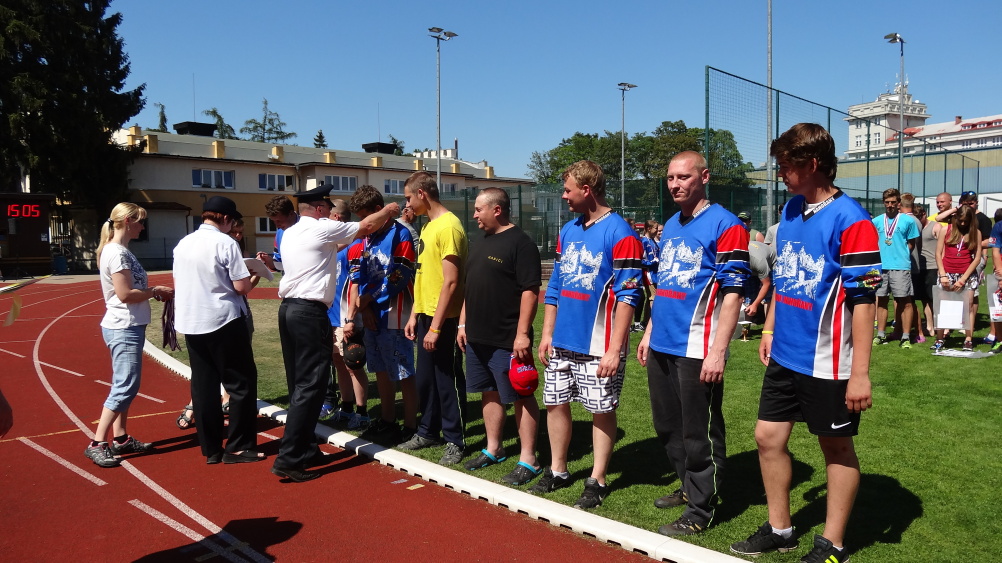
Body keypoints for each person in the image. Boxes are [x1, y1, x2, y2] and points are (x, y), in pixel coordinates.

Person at [730, 123, 881, 563]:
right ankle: (781, 529)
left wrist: (860, 374)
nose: (780, 173)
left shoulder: (853, 221)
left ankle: (833, 544)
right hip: (785, 353)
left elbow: (865, 301)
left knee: (835, 447)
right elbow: (784, 277)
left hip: (828, 360)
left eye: (786, 165)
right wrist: (770, 328)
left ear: (812, 164)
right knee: (767, 437)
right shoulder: (793, 209)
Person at [636, 151, 749, 535]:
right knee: (668, 426)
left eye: (683, 177)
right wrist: (649, 332)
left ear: (704, 177)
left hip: (698, 346)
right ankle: (688, 486)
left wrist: (718, 351)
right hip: (662, 343)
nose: (674, 184)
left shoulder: (726, 225)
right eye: (670, 178)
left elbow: (733, 292)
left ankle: (701, 508)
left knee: (699, 431)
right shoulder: (671, 224)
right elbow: (665, 285)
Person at [531, 160, 643, 509]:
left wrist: (614, 349)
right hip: (562, 341)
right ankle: (558, 469)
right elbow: (554, 287)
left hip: (599, 345)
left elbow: (629, 295)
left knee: (600, 409)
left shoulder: (621, 233)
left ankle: (598, 478)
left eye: (567, 190)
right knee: (554, 403)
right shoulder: (568, 231)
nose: (564, 196)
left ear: (587, 190)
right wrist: (546, 334)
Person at [273, 185, 398, 482]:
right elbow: (366, 226)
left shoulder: (292, 232)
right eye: (327, 208)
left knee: (300, 383)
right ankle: (289, 459)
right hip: (308, 312)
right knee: (311, 385)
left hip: (289, 310)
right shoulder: (320, 228)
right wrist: (390, 210)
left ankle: (306, 449)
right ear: (319, 209)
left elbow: (335, 247)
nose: (331, 213)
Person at [457, 187, 543, 484]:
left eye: (479, 209)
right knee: (488, 392)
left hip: (507, 339)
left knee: (520, 395)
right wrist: (463, 324)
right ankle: (494, 448)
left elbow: (530, 291)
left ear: (497, 210)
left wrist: (522, 335)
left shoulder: (521, 244)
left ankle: (529, 459)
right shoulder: (481, 242)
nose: (474, 215)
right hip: (477, 337)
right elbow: (470, 286)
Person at [173, 196, 262, 465]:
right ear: (224, 218)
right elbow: (241, 287)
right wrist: (256, 273)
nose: (232, 226)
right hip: (223, 321)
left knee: (203, 386)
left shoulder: (183, 243)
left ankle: (210, 448)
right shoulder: (226, 243)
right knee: (241, 384)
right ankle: (239, 446)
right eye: (232, 221)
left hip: (192, 322)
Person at [85, 203, 173, 468]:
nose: (143, 227)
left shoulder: (119, 251)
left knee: (124, 383)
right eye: (140, 221)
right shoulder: (117, 253)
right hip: (123, 326)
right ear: (127, 221)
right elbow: (124, 294)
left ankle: (120, 437)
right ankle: (97, 442)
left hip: (128, 325)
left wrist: (150, 293)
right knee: (126, 386)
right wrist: (155, 291)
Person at [399, 171, 469, 466]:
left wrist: (437, 327)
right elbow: (423, 274)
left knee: (446, 380)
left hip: (445, 319)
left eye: (408, 197)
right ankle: (427, 431)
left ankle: (456, 440)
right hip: (426, 315)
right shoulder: (428, 226)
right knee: (426, 380)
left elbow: (451, 282)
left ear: (422, 194)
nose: (406, 204)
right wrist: (415, 314)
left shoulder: (449, 227)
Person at [347, 186, 418, 442]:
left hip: (397, 312)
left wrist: (370, 298)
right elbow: (360, 275)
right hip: (372, 313)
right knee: (380, 368)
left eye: (366, 217)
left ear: (379, 211)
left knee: (402, 370)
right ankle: (388, 420)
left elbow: (400, 274)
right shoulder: (367, 236)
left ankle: (410, 425)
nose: (363, 224)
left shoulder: (401, 233)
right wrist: (365, 306)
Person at [321, 200, 369, 428]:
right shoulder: (334, 244)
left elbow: (355, 284)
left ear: (337, 218)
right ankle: (347, 408)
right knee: (339, 363)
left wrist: (350, 318)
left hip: (345, 317)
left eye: (328, 217)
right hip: (331, 317)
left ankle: (362, 413)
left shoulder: (355, 244)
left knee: (353, 365)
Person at [871, 188, 920, 348]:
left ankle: (905, 337)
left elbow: (911, 244)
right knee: (881, 300)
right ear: (883, 203)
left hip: (900, 266)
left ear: (899, 203)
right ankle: (880, 334)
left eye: (893, 202)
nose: (890, 205)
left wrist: (900, 254)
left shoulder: (908, 221)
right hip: (880, 267)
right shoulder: (876, 221)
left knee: (905, 301)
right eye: (887, 202)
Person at [932, 205, 982, 351]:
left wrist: (963, 279)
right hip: (947, 272)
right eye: (960, 220)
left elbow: (977, 258)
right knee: (942, 306)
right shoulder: (945, 230)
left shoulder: (976, 233)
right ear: (956, 218)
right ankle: (940, 338)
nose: (963, 224)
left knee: (969, 306)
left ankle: (968, 339)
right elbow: (938, 253)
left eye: (966, 221)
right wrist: (942, 275)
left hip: (966, 274)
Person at [258, 195, 299, 271]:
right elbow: (279, 262)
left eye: (278, 221)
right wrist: (268, 260)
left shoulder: (309, 227)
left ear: (290, 214)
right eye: (273, 221)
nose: (277, 225)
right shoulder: (280, 233)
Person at [745, 240, 776, 325]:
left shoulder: (758, 260)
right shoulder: (734, 256)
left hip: (772, 265)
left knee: (768, 297)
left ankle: (768, 327)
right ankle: (746, 327)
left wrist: (755, 304)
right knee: (748, 297)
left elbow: (766, 284)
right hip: (752, 268)